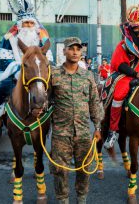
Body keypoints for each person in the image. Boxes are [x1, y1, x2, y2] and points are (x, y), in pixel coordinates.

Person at [0, 0, 53, 138]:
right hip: (15, 71)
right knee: (2, 90)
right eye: (26, 23)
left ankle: (56, 120)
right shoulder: (9, 37)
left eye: (31, 23)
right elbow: (5, 59)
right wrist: (19, 67)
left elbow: (48, 56)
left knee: (55, 89)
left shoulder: (42, 36)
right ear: (20, 24)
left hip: (38, 71)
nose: (28, 26)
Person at [50, 37, 102, 204]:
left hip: (83, 133)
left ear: (81, 53)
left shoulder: (88, 76)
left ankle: (81, 199)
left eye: (78, 49)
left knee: (84, 168)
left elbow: (95, 102)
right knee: (59, 170)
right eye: (71, 48)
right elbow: (46, 100)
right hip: (61, 133)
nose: (74, 52)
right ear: (64, 51)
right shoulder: (54, 74)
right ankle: (63, 200)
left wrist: (98, 127)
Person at [103, 3, 139, 149]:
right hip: (128, 76)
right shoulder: (123, 45)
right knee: (118, 95)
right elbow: (119, 64)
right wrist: (136, 73)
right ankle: (113, 131)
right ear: (130, 29)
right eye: (136, 28)